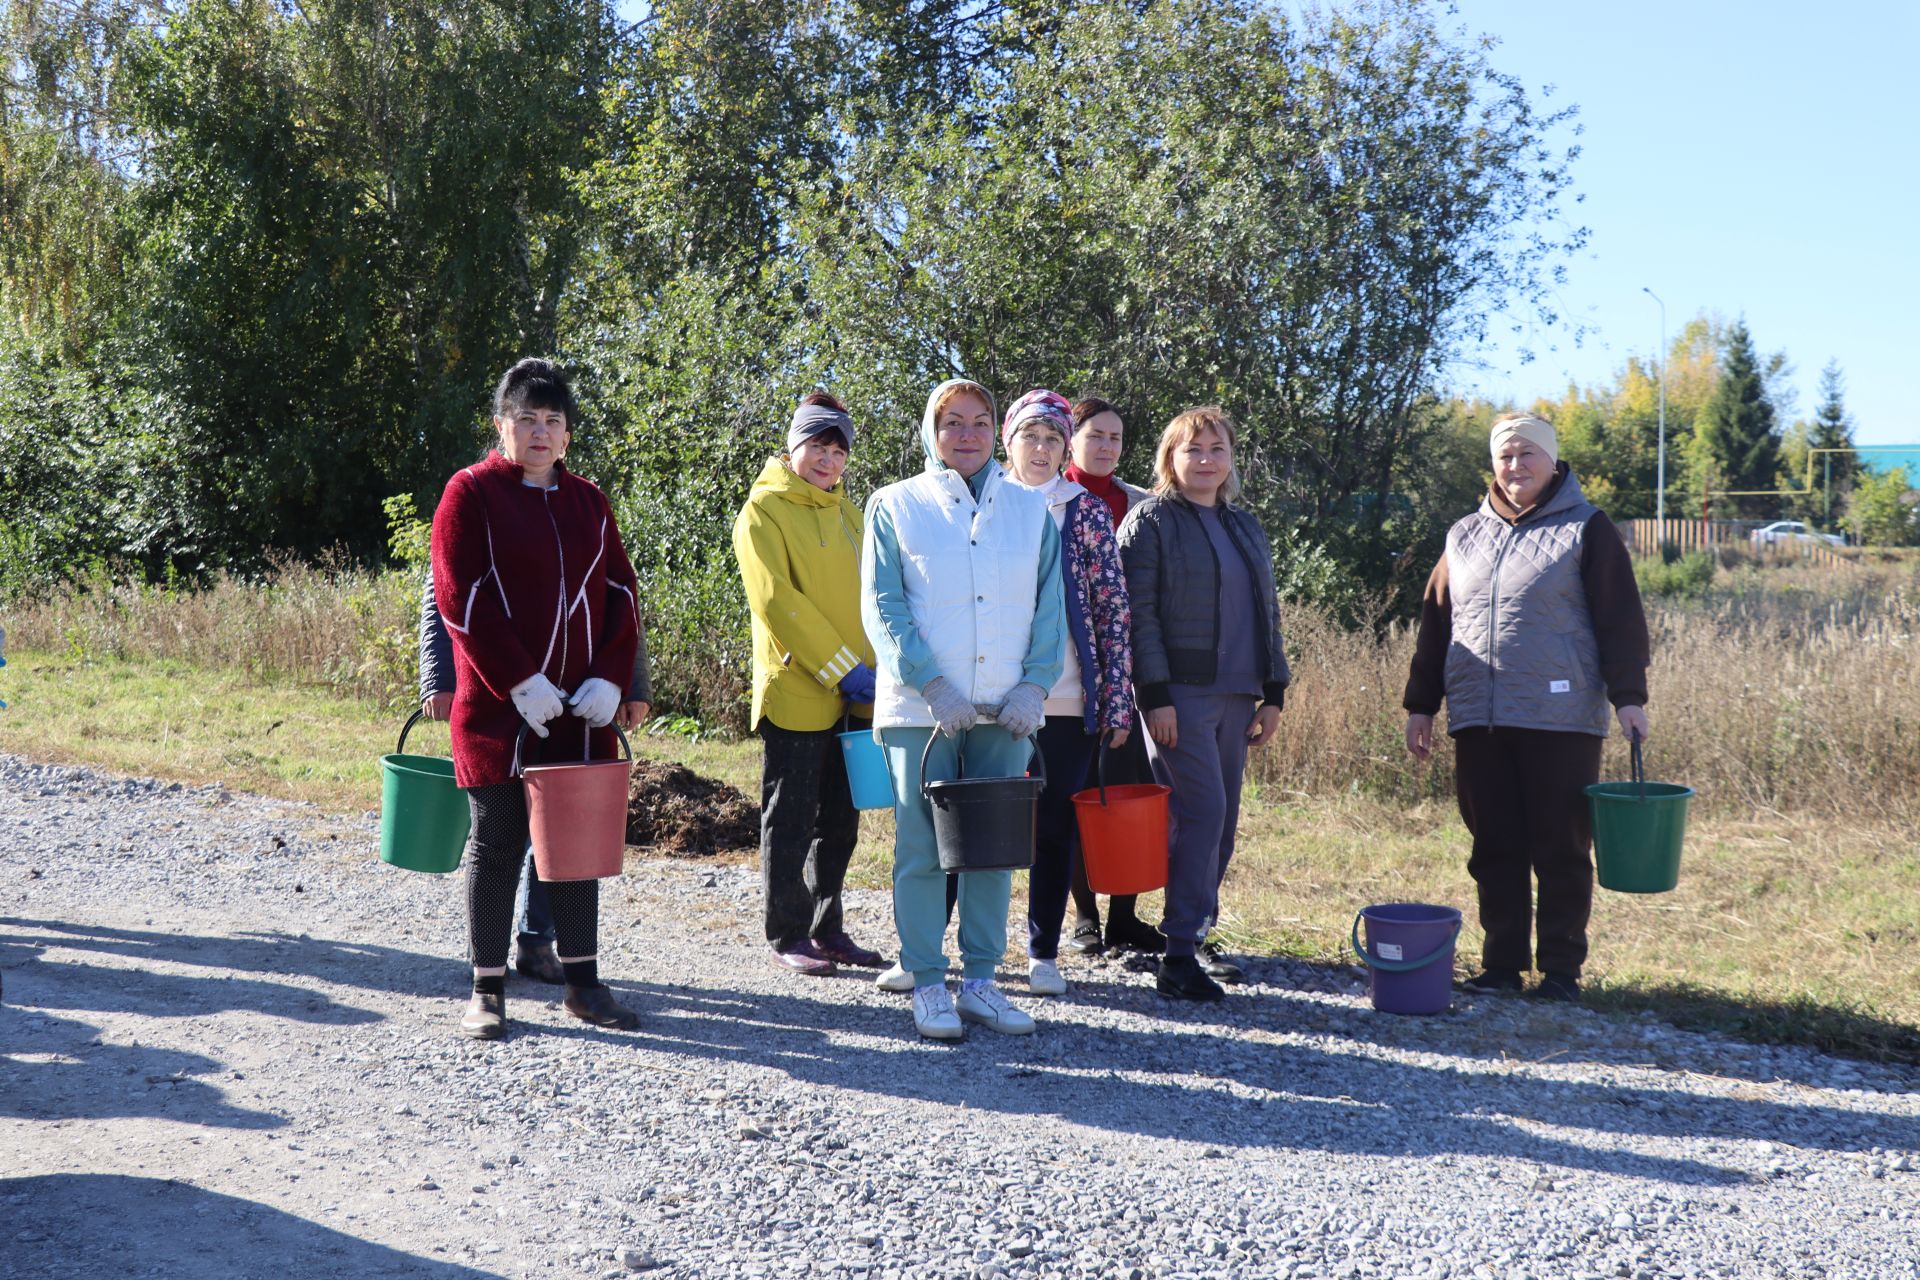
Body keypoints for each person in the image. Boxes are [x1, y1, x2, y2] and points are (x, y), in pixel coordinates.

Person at [1402, 413, 1651, 1004]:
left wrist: (1629, 699)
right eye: (1505, 456)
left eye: (1526, 454)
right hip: (1479, 718)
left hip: (1559, 718)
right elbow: (1436, 624)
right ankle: (1502, 965)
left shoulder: (1588, 529)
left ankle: (1561, 971)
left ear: (1551, 459)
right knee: (1494, 845)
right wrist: (1421, 706)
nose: (1515, 466)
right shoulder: (1463, 535)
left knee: (1561, 846)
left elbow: (1621, 620)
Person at [429, 358, 644, 1040]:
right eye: (526, 419)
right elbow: (461, 598)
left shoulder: (589, 501)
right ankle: (486, 991)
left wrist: (611, 680)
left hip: (579, 715)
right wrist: (519, 683)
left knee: (575, 853)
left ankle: (583, 985)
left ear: (569, 435)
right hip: (498, 713)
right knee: (497, 846)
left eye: (553, 421)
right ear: (501, 426)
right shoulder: (469, 494)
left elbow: (622, 595)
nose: (540, 432)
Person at [861, 377, 1066, 1039]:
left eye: (981, 422)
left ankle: (980, 982)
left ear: (996, 431)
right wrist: (931, 684)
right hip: (922, 711)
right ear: (931, 431)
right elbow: (884, 606)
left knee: (994, 848)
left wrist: (1035, 686)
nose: (968, 435)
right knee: (921, 847)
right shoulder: (895, 505)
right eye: (953, 422)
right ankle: (927, 982)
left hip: (1005, 709)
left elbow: (1049, 609)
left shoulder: (1030, 509)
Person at [1118, 406, 1289, 1002]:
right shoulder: (1150, 522)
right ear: (1171, 458)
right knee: (1203, 815)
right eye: (1194, 450)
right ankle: (1179, 954)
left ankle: (1194, 935)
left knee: (1222, 826)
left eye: (1217, 449)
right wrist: (1153, 696)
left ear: (1231, 460)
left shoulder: (1245, 526)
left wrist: (1275, 691)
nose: (1207, 460)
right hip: (1179, 699)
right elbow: (1136, 618)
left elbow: (1269, 613)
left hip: (1240, 694)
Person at [417, 571, 651, 986]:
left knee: (560, 830)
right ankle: (486, 960)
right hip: (495, 697)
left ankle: (538, 942)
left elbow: (618, 599)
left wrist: (630, 684)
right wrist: (438, 679)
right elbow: (449, 591)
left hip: (572, 700)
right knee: (498, 831)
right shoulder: (474, 505)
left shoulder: (585, 507)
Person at [731, 393, 888, 977]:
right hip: (800, 690)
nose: (828, 459)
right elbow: (776, 601)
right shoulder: (762, 511)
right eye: (818, 445)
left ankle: (828, 928)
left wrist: (875, 672)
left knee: (840, 823)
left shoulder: (852, 514)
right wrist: (840, 666)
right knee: (790, 818)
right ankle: (788, 931)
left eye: (838, 448)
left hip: (860, 695)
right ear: (795, 446)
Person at [1001, 390, 1135, 997]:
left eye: (1053, 438)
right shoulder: (985, 503)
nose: (1041, 448)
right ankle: (951, 951)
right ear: (1009, 440)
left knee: (1054, 829)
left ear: (1066, 449)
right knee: (985, 823)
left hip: (1068, 696)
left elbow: (1112, 609)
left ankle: (1042, 951)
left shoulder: (1084, 511)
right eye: (1031, 435)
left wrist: (1115, 699)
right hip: (990, 698)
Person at [1059, 396, 1163, 956]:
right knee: (1079, 792)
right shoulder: (1051, 499)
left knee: (1127, 793)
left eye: (1116, 438)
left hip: (1131, 674)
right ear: (1070, 438)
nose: (1106, 447)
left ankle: (1126, 915)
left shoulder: (1143, 506)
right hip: (1072, 673)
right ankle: (1083, 919)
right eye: (1096, 435)